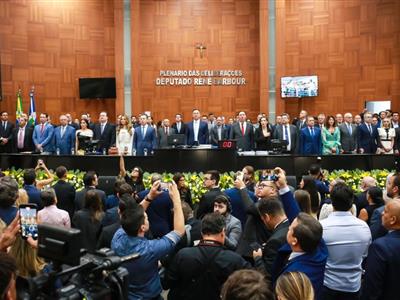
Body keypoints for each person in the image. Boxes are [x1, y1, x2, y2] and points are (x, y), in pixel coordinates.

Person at [112, 181, 185, 299]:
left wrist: (150, 197)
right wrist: (176, 200)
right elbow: (179, 231)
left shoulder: (118, 237)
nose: (147, 217)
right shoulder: (150, 249)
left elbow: (133, 215)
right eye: (146, 218)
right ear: (143, 228)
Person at [164, 213, 250, 300]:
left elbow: (167, 283)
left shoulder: (183, 255)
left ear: (202, 233)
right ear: (223, 232)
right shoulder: (234, 260)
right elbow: (252, 285)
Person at [272, 167, 328, 300]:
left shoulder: (294, 275)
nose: (289, 226)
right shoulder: (319, 249)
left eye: (290, 228)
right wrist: (283, 187)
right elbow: (296, 216)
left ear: (294, 240)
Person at [320, 184, 371, 299]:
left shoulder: (322, 227)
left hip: (328, 284)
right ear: (352, 201)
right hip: (353, 286)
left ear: (332, 201)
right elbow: (364, 254)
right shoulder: (364, 227)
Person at [361, 199, 400, 300]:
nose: (382, 213)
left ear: (393, 219)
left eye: (386, 211)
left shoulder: (380, 247)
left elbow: (371, 289)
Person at [253, 199, 289, 275]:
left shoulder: (274, 241)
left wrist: (258, 258)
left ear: (267, 217)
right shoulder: (292, 225)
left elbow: (267, 275)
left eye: (262, 219)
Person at [136, 174, 174, 238]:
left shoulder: (141, 194)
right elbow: (171, 215)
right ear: (161, 182)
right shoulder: (168, 196)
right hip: (163, 229)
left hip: (146, 229)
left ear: (151, 182)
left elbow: (137, 210)